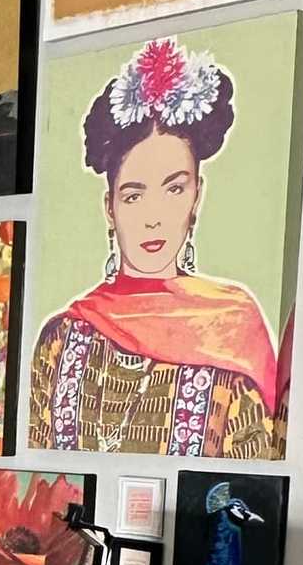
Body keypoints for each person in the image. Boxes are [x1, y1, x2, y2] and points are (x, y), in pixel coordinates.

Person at [29, 36, 284, 460]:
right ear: (109, 207)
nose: (154, 217)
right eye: (133, 195)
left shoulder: (233, 327)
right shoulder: (62, 337)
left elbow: (256, 477)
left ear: (197, 196)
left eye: (174, 189)